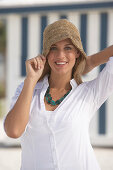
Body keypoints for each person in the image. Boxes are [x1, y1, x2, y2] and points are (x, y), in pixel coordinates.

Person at [4, 19, 113, 170]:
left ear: (77, 52)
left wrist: (90, 61)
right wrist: (31, 80)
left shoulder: (89, 93)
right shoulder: (28, 89)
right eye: (53, 48)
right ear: (46, 54)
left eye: (68, 48)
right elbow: (13, 131)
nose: (60, 55)